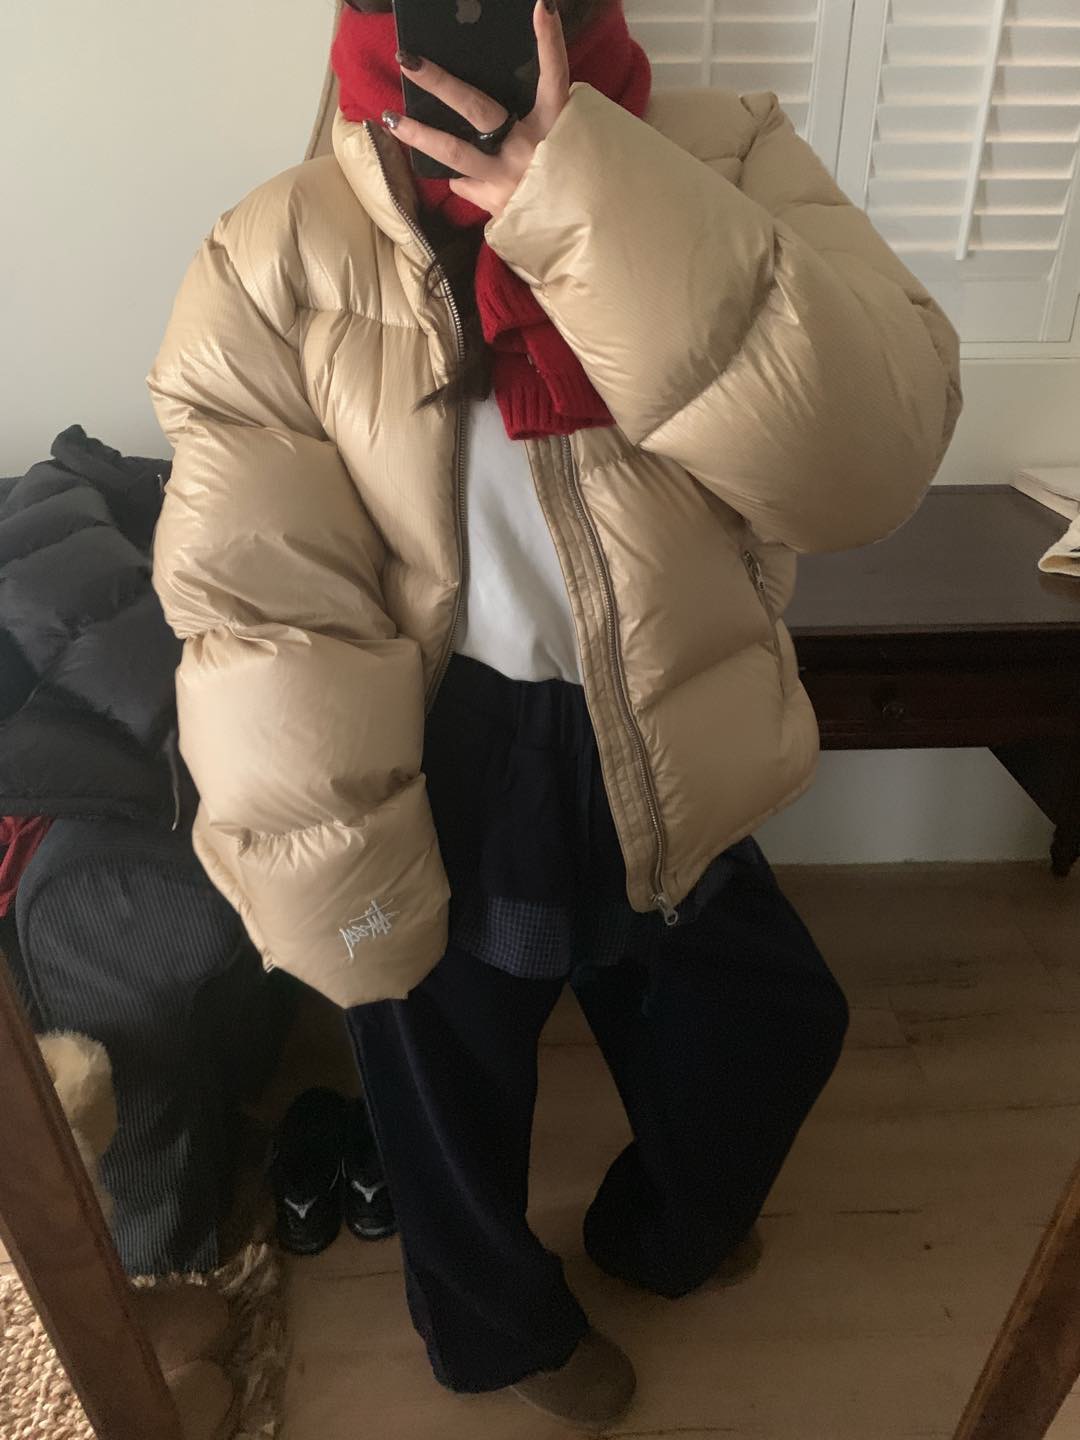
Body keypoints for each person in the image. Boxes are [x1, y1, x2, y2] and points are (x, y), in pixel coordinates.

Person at [149, 0, 962, 1428]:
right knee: (443, 1089)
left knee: (767, 1022)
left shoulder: (721, 154)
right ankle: (498, 1330)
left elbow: (867, 460)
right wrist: (340, 877)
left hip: (667, 707)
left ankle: (664, 1229)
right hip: (443, 741)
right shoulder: (276, 253)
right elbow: (262, 594)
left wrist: (588, 195)